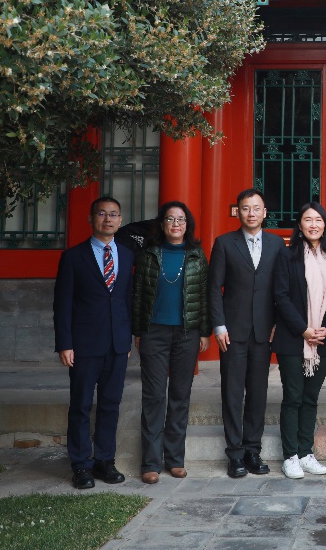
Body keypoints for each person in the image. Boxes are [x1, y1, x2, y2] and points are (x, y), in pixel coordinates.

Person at [53, 196, 134, 489]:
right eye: (102, 214)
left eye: (113, 214)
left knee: (111, 404)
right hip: (84, 345)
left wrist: (127, 339)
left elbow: (126, 299)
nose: (108, 219)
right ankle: (81, 465)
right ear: (91, 219)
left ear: (120, 220)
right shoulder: (74, 257)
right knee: (81, 405)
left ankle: (104, 461)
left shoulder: (127, 255)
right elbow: (62, 304)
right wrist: (65, 344)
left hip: (117, 344)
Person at [131, 201, 211, 484]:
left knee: (180, 395)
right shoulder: (148, 255)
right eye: (170, 219)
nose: (175, 224)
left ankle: (175, 459)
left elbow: (203, 296)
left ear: (187, 225)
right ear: (162, 224)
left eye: (181, 219)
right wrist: (138, 331)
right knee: (153, 395)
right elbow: (138, 294)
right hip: (154, 333)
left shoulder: (197, 255)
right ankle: (151, 462)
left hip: (187, 333)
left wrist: (204, 331)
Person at [209, 189, 285, 478]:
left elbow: (283, 289)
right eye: (245, 208)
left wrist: (277, 322)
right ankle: (235, 453)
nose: (251, 213)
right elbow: (214, 288)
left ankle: (253, 449)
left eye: (256, 208)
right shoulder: (224, 243)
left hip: (264, 331)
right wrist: (219, 325)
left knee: (257, 392)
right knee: (232, 392)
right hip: (232, 330)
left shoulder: (277, 244)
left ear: (265, 212)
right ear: (237, 212)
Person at [272, 202, 326, 479]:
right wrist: (303, 329)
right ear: (299, 225)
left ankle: (305, 452)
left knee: (311, 397)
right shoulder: (287, 255)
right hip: (293, 338)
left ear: (325, 225)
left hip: (322, 339)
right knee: (293, 397)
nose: (313, 225)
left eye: (318, 220)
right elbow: (281, 296)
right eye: (308, 220)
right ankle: (290, 456)